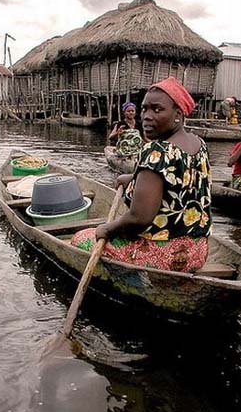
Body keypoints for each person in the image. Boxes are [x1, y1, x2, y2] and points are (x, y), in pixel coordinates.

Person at [72, 77, 212, 273]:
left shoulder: (156, 151)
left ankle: (132, 279)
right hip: (197, 251)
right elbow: (177, 182)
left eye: (157, 109)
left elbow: (139, 218)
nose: (146, 115)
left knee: (81, 238)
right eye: (144, 109)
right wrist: (132, 178)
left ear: (178, 114)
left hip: (165, 256)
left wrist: (107, 228)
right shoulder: (199, 144)